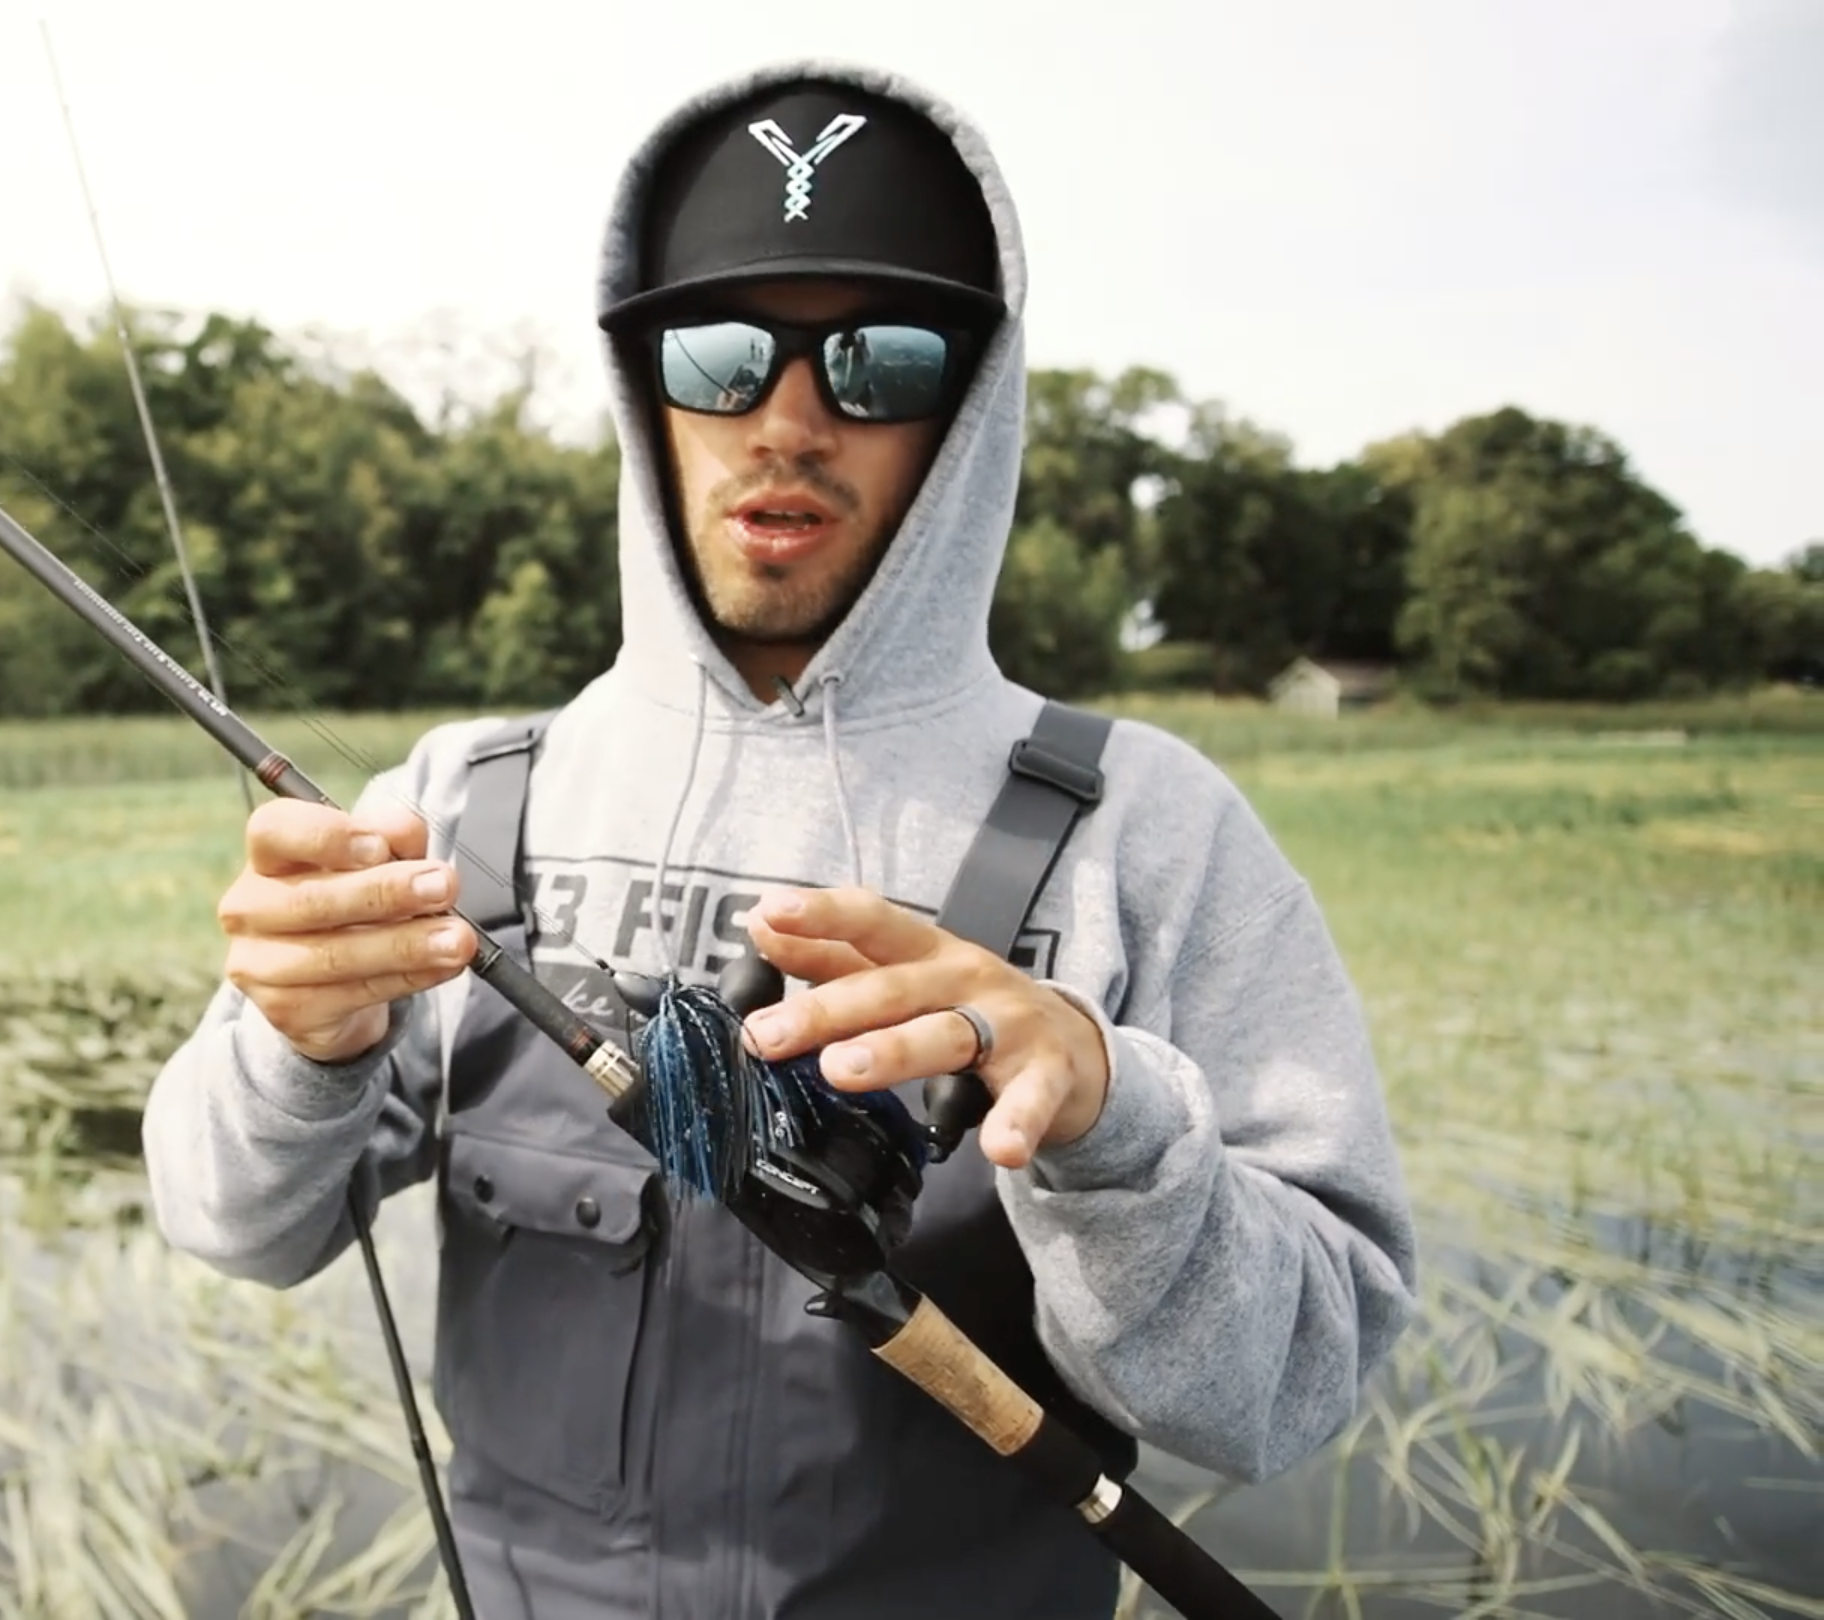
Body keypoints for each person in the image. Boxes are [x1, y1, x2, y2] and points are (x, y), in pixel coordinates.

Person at [141, 62, 1418, 1619]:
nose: (791, 418)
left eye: (880, 360)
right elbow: (236, 1228)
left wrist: (1111, 1123)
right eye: (721, 353)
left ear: (970, 402)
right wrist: (297, 1042)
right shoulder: (456, 799)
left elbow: (1289, 1393)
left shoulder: (1149, 830)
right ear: (646, 389)